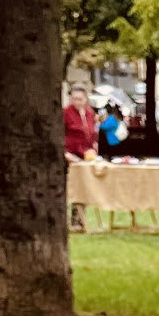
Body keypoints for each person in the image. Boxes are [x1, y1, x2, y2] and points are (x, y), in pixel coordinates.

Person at [63, 83, 95, 228]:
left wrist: (93, 149)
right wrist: (65, 153)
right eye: (74, 99)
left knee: (83, 187)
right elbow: (61, 134)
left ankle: (79, 219)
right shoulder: (66, 113)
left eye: (80, 99)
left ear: (85, 99)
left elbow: (91, 134)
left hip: (84, 155)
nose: (77, 102)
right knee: (71, 187)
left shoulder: (89, 113)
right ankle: (69, 219)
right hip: (70, 155)